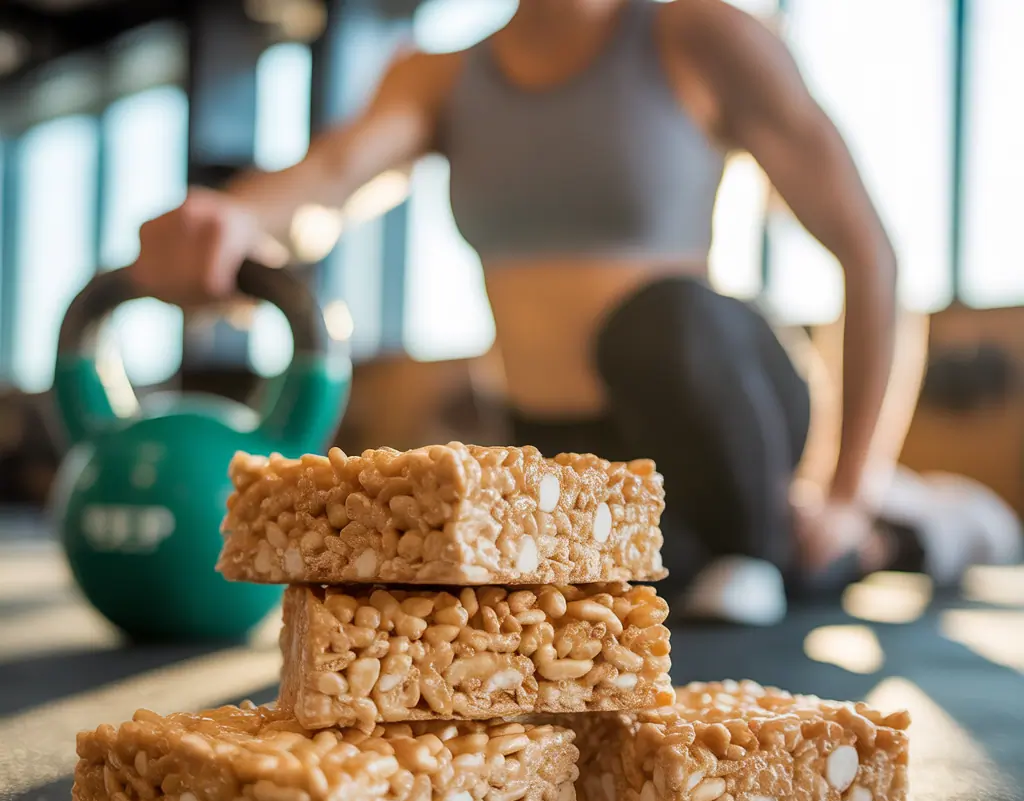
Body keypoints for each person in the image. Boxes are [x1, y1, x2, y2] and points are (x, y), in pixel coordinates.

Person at [131, 0, 1020, 623]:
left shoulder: (700, 32)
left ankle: (889, 524)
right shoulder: (439, 76)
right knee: (609, 587)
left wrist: (849, 487)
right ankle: (808, 545)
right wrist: (237, 219)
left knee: (659, 327)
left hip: (720, 407)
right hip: (568, 447)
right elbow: (329, 178)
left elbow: (869, 253)